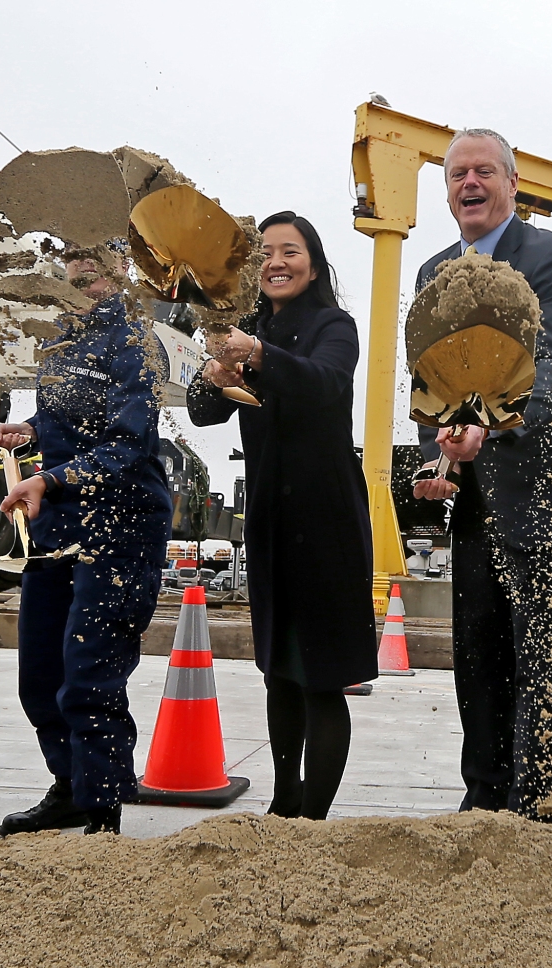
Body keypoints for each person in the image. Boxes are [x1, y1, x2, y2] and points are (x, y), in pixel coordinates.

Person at [413, 129, 552, 822]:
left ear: (513, 185)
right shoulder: (433, 270)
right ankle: (483, 803)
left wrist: (488, 421)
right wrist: (438, 455)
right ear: (446, 189)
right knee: (479, 656)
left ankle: (536, 810)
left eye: (485, 171)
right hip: (474, 499)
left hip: (545, 492)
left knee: (544, 658)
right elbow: (430, 379)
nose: (470, 183)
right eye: (458, 172)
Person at [186, 210, 377, 820]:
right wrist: (216, 374)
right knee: (278, 671)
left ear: (314, 264)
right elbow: (200, 411)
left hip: (325, 520)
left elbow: (325, 383)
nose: (275, 261)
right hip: (268, 515)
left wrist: (260, 355)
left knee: (319, 674)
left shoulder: (334, 325)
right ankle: (282, 803)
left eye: (290, 251)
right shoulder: (239, 330)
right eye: (265, 252)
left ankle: (312, 819)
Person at [0, 252, 172, 837]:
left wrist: (49, 479)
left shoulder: (138, 339)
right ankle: (69, 787)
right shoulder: (62, 339)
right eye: (71, 261)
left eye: (92, 261)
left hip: (120, 528)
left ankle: (103, 815)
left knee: (89, 676)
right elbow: (58, 423)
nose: (78, 272)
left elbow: (127, 444)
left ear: (121, 265)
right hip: (57, 527)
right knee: (40, 673)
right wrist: (29, 432)